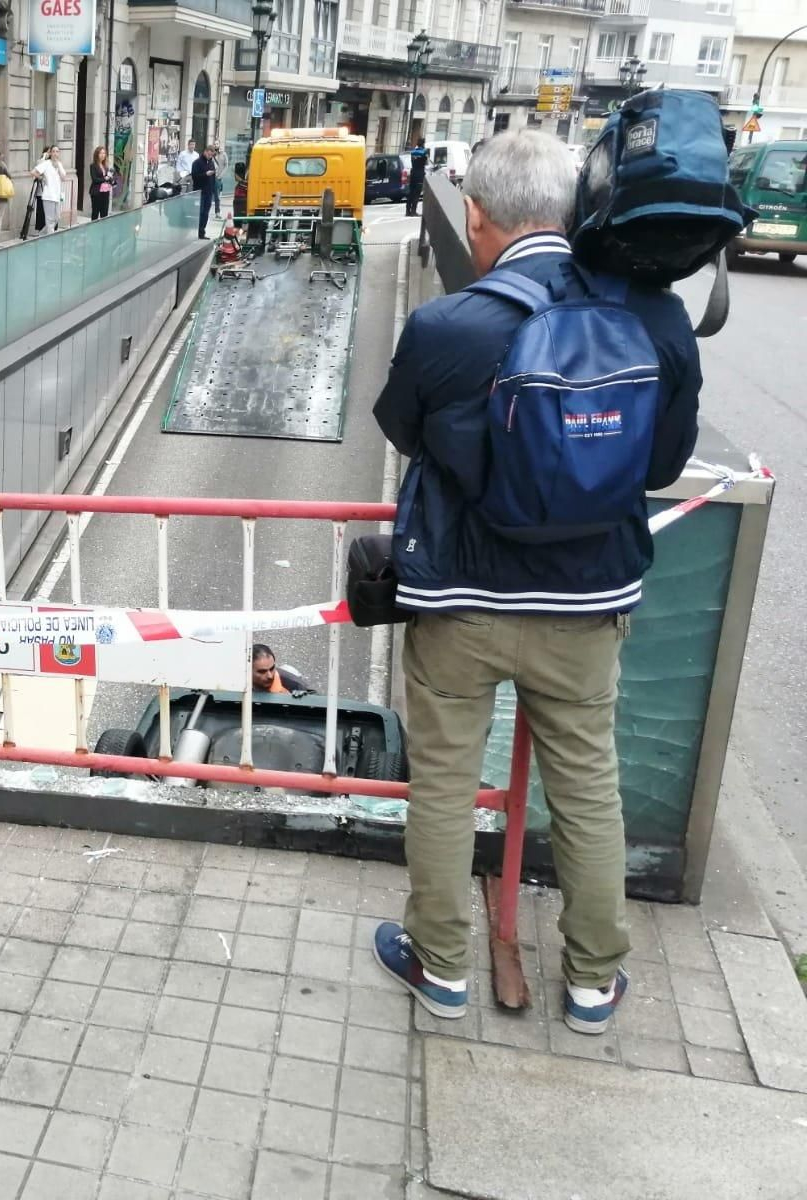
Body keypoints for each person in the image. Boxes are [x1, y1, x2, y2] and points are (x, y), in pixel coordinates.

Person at [370, 131, 700, 1035]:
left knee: (444, 785)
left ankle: (441, 970)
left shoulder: (447, 326)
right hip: (586, 604)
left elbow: (403, 430)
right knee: (587, 787)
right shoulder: (655, 318)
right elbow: (664, 462)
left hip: (461, 603)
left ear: (475, 217)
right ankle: (593, 983)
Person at [31, 145, 70, 234]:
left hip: (57, 196)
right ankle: (51, 238)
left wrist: (58, 166)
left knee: (57, 218)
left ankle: (42, 235)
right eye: (53, 151)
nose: (55, 153)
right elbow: (33, 172)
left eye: (57, 151)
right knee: (50, 220)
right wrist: (42, 178)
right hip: (48, 195)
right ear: (50, 153)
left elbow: (63, 177)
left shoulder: (59, 164)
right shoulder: (46, 163)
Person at [192, 144, 218, 239]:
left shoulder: (211, 163)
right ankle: (197, 231)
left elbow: (213, 178)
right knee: (200, 212)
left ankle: (202, 232)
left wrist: (214, 190)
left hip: (208, 192)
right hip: (200, 192)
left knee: (206, 213)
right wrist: (205, 174)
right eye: (209, 154)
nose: (210, 157)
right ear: (205, 152)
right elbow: (194, 177)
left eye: (211, 155)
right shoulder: (197, 163)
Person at [89, 146, 117, 220]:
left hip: (105, 192)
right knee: (95, 213)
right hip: (96, 192)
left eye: (104, 153)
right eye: (100, 153)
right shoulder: (93, 166)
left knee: (104, 214)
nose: (102, 155)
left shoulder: (105, 166)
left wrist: (112, 181)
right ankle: (94, 227)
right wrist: (105, 178)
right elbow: (95, 179)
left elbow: (108, 178)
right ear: (97, 154)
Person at [405, 136, 428, 217]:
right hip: (419, 174)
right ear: (423, 143)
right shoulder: (424, 152)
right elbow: (425, 162)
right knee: (417, 194)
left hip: (413, 173)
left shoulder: (413, 152)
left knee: (411, 193)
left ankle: (408, 211)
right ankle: (413, 211)